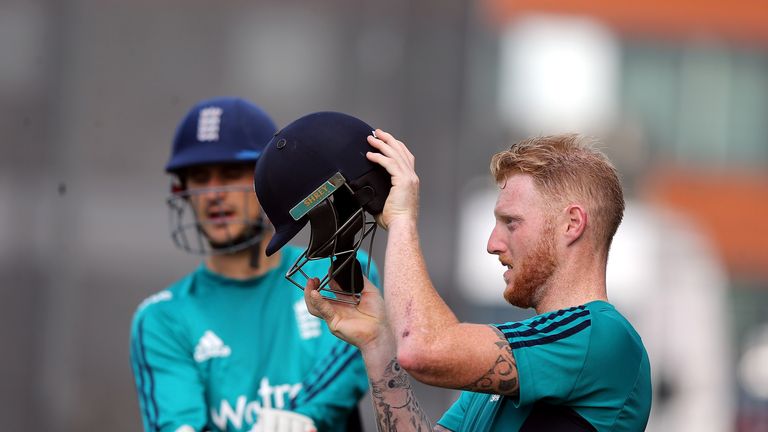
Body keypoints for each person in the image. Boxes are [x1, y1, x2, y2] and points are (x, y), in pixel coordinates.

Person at [303, 131, 652, 431]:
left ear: (572, 224)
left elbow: (423, 349)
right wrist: (378, 341)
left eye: (511, 222)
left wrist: (402, 219)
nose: (492, 244)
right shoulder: (515, 357)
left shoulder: (603, 336)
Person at [129, 97, 379, 432]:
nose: (215, 193)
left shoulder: (339, 269)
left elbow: (342, 377)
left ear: (271, 178)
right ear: (183, 190)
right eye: (200, 178)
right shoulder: (162, 318)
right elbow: (178, 422)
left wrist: (298, 417)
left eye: (232, 173)